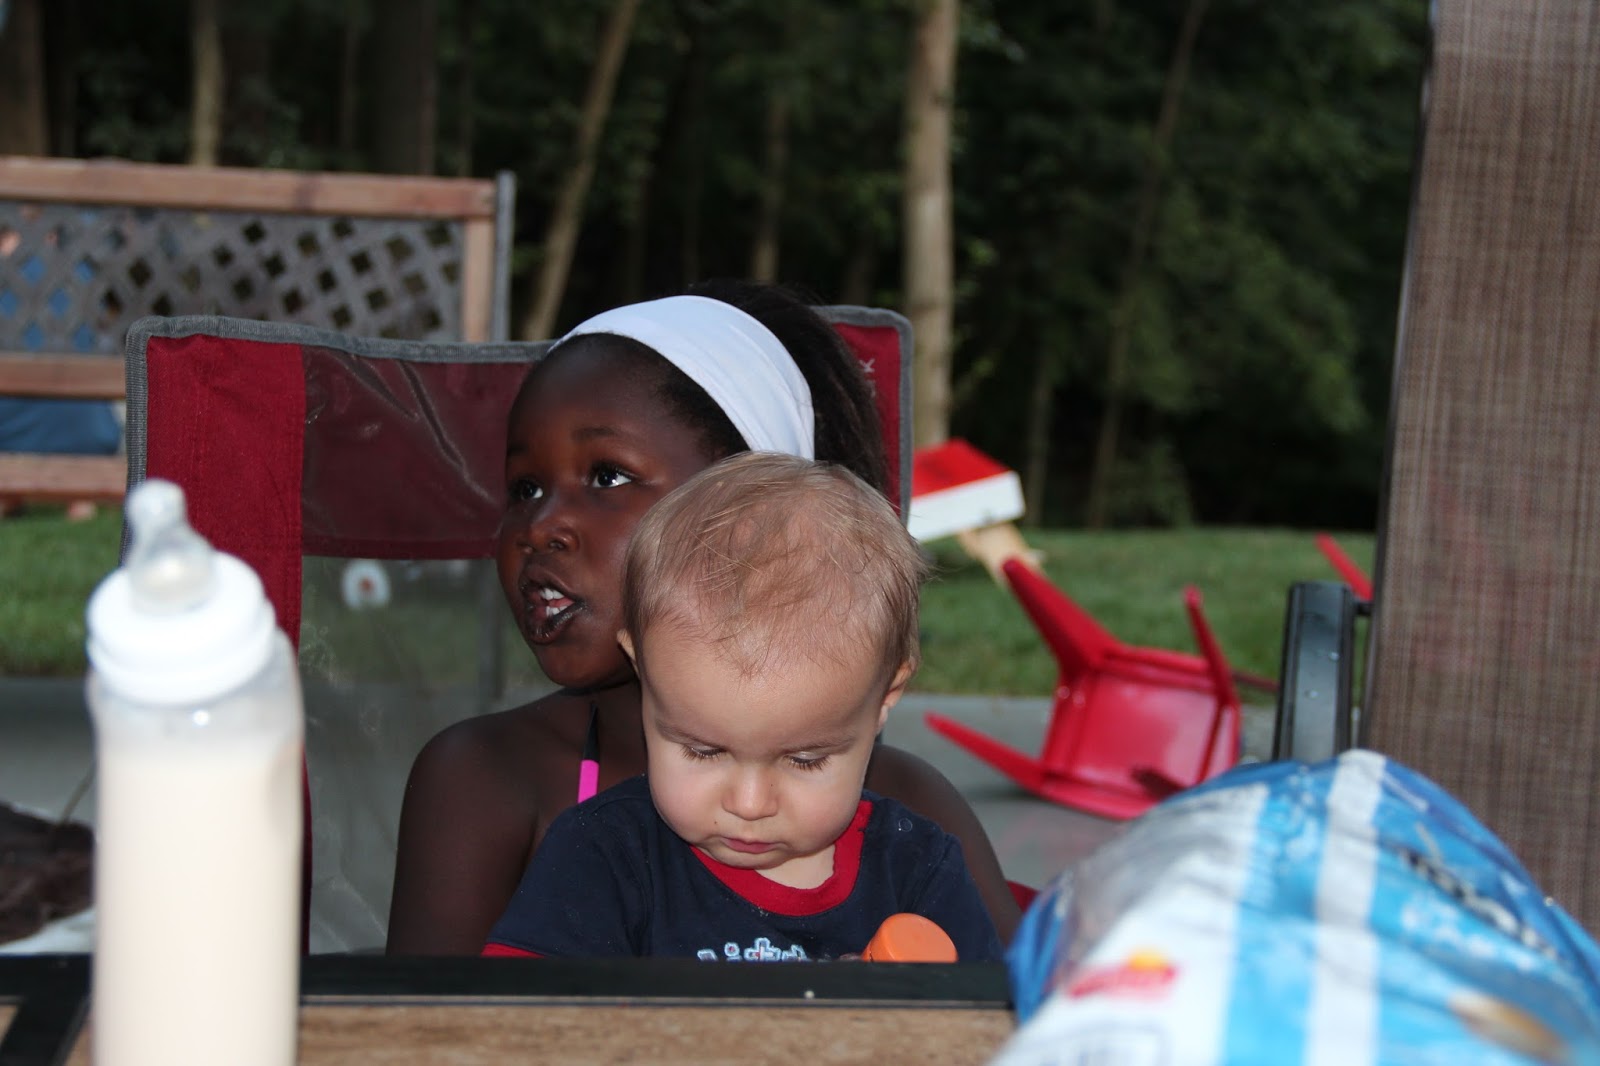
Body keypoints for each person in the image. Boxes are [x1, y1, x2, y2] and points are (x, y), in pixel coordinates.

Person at [386, 280, 1020, 954]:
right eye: (525, 488)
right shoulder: (486, 777)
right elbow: (421, 1018)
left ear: (752, 496)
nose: (541, 526)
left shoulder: (908, 819)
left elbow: (1035, 1008)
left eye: (607, 477)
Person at [484, 452, 1003, 961]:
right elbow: (517, 1015)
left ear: (885, 696)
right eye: (704, 751)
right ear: (644, 668)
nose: (750, 805)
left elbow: (1000, 1016)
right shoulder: (602, 859)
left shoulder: (917, 875)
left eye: (805, 760)